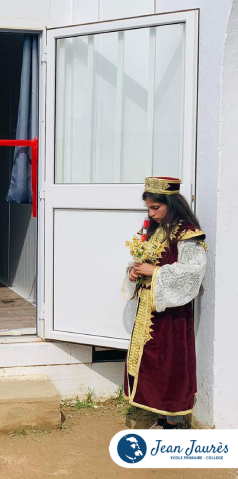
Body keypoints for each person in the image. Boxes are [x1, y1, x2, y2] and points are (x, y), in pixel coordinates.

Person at [121, 177, 207, 429]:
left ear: (171, 204)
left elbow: (193, 271)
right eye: (149, 208)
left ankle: (172, 422)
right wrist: (135, 272)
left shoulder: (187, 233)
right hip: (149, 309)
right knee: (151, 363)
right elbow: (144, 261)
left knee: (170, 363)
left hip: (172, 313)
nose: (151, 213)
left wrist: (155, 272)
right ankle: (160, 417)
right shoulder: (154, 230)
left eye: (155, 207)